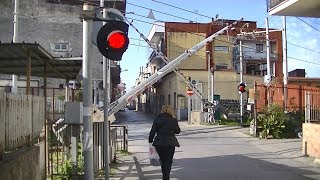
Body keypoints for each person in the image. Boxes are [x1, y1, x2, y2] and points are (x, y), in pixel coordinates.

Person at [149, 105, 181, 180]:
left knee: (162, 160)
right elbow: (178, 131)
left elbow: (152, 131)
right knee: (168, 161)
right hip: (170, 143)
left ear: (162, 110)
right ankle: (166, 176)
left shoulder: (157, 119)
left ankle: (165, 175)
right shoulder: (173, 120)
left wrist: (150, 141)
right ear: (171, 111)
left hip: (159, 143)